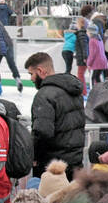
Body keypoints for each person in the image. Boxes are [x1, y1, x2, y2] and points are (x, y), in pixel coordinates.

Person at [25, 51, 86, 179]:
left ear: (40, 71)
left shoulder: (44, 95)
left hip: (53, 166)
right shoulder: (73, 91)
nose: (31, 78)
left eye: (31, 74)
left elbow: (42, 132)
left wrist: (34, 156)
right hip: (75, 161)